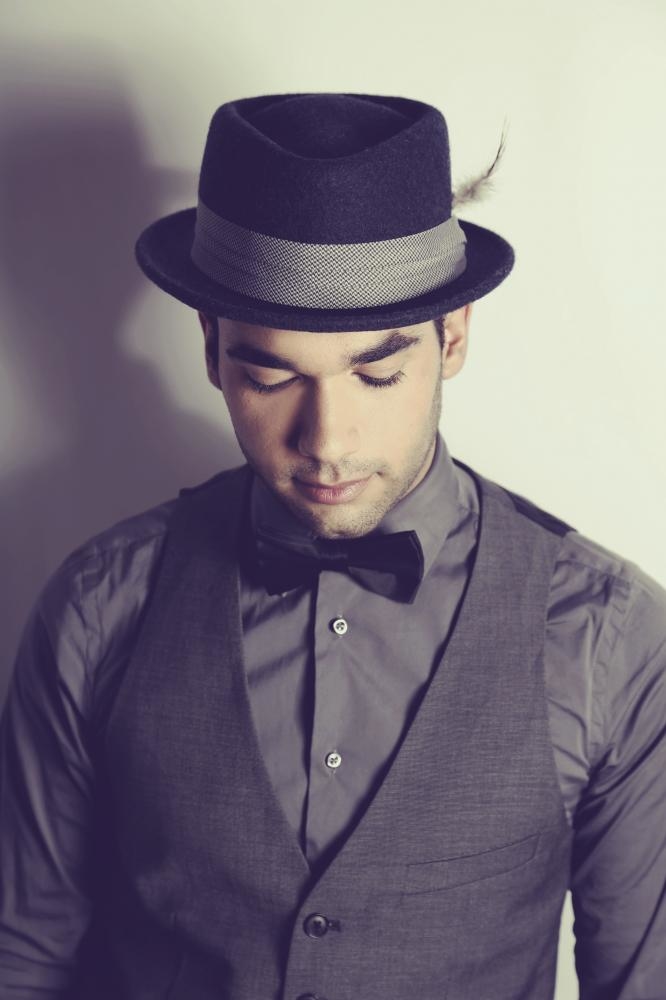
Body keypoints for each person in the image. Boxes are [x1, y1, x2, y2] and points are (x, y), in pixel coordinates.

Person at [0, 92, 664, 1000]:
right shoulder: (97, 608)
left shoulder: (605, 637)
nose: (327, 441)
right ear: (211, 348)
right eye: (271, 375)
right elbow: (23, 960)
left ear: (453, 338)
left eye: (377, 373)